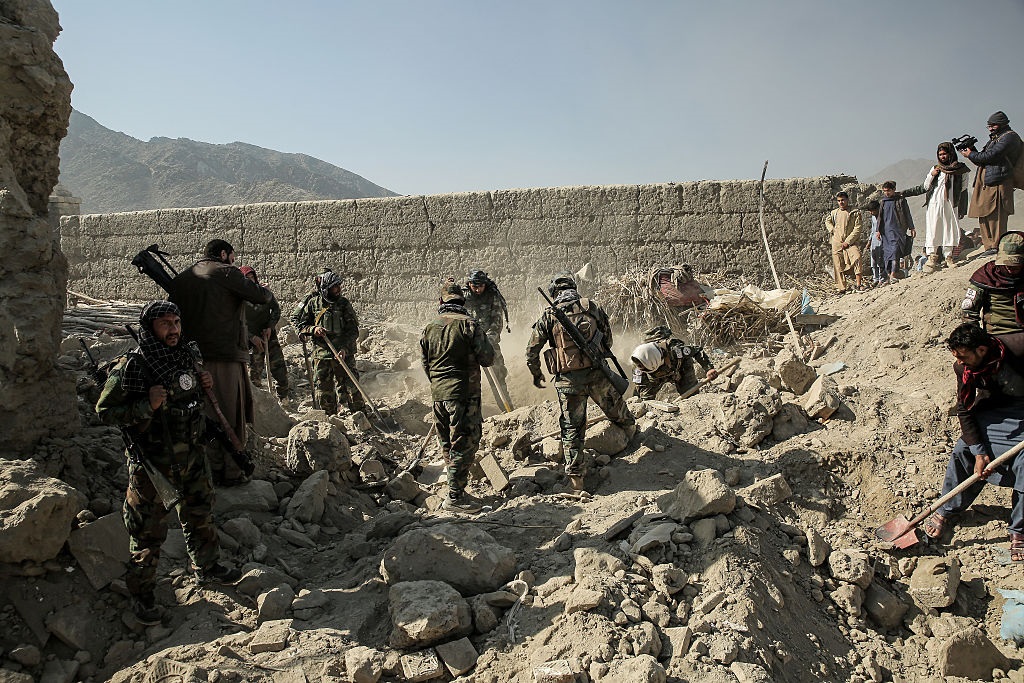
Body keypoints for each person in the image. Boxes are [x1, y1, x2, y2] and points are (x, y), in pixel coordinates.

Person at [96, 302, 241, 625]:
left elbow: (188, 399)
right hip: (153, 466)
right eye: (165, 324)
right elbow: (104, 412)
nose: (173, 329)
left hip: (192, 456)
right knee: (147, 533)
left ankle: (207, 566)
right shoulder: (133, 366)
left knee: (200, 513)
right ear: (150, 328)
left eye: (176, 322)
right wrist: (146, 406)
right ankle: (143, 596)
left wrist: (203, 384)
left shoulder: (185, 356)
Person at [169, 239, 268, 485]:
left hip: (190, 358)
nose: (234, 262)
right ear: (223, 254)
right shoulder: (226, 272)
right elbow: (260, 296)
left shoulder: (183, 278)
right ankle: (232, 472)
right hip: (224, 356)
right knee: (229, 413)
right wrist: (260, 287)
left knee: (201, 414)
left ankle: (207, 470)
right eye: (232, 257)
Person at [923, 324, 1024, 561]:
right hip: (993, 411)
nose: (959, 362)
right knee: (963, 450)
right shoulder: (963, 368)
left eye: (963, 356)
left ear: (981, 350)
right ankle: (947, 508)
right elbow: (965, 410)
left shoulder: (1019, 347)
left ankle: (1019, 529)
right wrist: (979, 452)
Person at [526, 273, 636, 490]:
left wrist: (537, 373)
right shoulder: (591, 307)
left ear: (554, 293)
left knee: (572, 428)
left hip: (568, 382)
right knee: (618, 410)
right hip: (597, 374)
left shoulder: (549, 315)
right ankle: (632, 441)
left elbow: (531, 351)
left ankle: (576, 481)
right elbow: (608, 339)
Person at [420, 282, 495, 513]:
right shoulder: (468, 325)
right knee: (465, 442)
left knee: (447, 443)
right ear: (462, 301)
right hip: (463, 394)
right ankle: (454, 497)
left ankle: (457, 491)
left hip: (438, 395)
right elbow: (488, 358)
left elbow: (425, 364)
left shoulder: (429, 327)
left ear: (441, 302)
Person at [290, 271, 365, 415]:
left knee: (351, 387)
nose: (338, 290)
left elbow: (353, 331)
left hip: (342, 353)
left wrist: (344, 348)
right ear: (326, 288)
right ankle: (330, 419)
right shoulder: (313, 303)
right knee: (324, 390)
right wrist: (313, 329)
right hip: (321, 354)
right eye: (334, 287)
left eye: (339, 287)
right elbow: (301, 324)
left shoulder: (343, 304)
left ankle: (360, 416)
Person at [902, 143, 970, 273]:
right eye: (940, 154)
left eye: (945, 154)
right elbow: (926, 186)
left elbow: (963, 188)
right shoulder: (936, 169)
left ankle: (949, 257)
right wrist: (932, 175)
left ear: (951, 154)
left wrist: (960, 205)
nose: (942, 157)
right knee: (934, 229)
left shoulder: (961, 170)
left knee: (949, 229)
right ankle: (932, 258)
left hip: (950, 204)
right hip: (935, 204)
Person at [964, 111, 1022, 254]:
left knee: (997, 214)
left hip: (999, 181)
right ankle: (989, 246)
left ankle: (996, 245)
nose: (990, 129)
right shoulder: (995, 139)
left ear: (1003, 124)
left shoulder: (1009, 137)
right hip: (988, 181)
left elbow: (991, 156)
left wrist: (971, 154)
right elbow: (983, 159)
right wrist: (972, 152)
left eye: (993, 125)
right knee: (984, 214)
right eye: (989, 126)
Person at [239, 266, 289, 404]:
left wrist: (270, 327)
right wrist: (251, 337)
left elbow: (276, 309)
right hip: (252, 341)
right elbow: (237, 322)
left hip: (268, 337)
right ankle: (257, 404)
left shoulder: (264, 293)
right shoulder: (239, 299)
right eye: (247, 279)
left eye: (252, 277)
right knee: (254, 374)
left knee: (279, 368)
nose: (251, 281)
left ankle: (283, 399)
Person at [464, 270, 512, 406]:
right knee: (466, 380)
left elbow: (497, 322)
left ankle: (506, 409)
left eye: (481, 286)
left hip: (488, 343)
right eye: (474, 286)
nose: (478, 290)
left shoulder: (492, 296)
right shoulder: (463, 297)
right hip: (468, 344)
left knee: (498, 377)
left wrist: (487, 341)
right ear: (469, 284)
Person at [630, 325, 719, 400]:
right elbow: (642, 387)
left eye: (642, 366)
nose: (640, 367)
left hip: (680, 368)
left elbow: (697, 350)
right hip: (655, 378)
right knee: (642, 399)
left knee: (690, 394)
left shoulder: (675, 351)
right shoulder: (638, 366)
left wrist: (709, 369)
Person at [962, 231, 1024, 337]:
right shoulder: (986, 276)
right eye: (1006, 264)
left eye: (1015, 265)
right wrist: (975, 337)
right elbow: (969, 313)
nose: (1010, 268)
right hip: (997, 334)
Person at [876, 181, 916, 284]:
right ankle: (890, 275)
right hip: (886, 232)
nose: (887, 193)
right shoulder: (883, 202)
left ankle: (893, 274)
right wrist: (878, 231)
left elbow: (907, 214)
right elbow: (880, 217)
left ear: (894, 190)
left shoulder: (901, 201)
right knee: (887, 254)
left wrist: (912, 227)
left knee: (895, 252)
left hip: (898, 231)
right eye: (885, 191)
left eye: (888, 191)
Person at [824, 192, 863, 292]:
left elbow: (857, 228)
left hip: (850, 242)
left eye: (843, 200)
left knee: (857, 257)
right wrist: (832, 229)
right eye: (839, 201)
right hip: (837, 242)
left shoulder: (854, 212)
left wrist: (848, 241)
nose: (841, 202)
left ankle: (859, 284)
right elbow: (827, 221)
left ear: (847, 200)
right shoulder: (834, 213)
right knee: (838, 265)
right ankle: (842, 287)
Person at [865, 200, 885, 286]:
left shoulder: (884, 216)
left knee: (881, 261)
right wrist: (869, 241)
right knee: (873, 261)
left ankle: (882, 278)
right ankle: (875, 278)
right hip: (874, 241)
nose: (871, 213)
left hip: (881, 240)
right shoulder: (873, 217)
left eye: (872, 211)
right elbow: (873, 230)